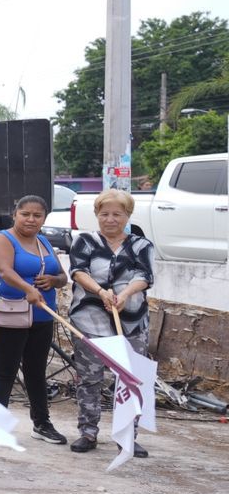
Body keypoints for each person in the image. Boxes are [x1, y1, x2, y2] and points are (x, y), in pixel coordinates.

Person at [67, 189, 156, 456]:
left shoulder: (141, 245)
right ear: (97, 215)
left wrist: (124, 295)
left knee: (130, 379)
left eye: (117, 214)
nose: (110, 219)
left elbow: (145, 276)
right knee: (89, 378)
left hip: (131, 322)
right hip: (89, 319)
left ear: (127, 216)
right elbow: (78, 272)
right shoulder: (85, 241)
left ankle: (127, 435)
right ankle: (88, 432)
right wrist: (100, 292)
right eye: (104, 214)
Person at [0, 194, 70, 445]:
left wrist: (53, 281)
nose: (31, 219)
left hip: (43, 315)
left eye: (37, 215)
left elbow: (62, 276)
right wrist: (27, 289)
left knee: (37, 371)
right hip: (11, 315)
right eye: (25, 214)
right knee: (6, 371)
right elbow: (4, 271)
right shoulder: (2, 239)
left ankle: (42, 423)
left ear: (44, 218)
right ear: (15, 215)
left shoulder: (43, 241)